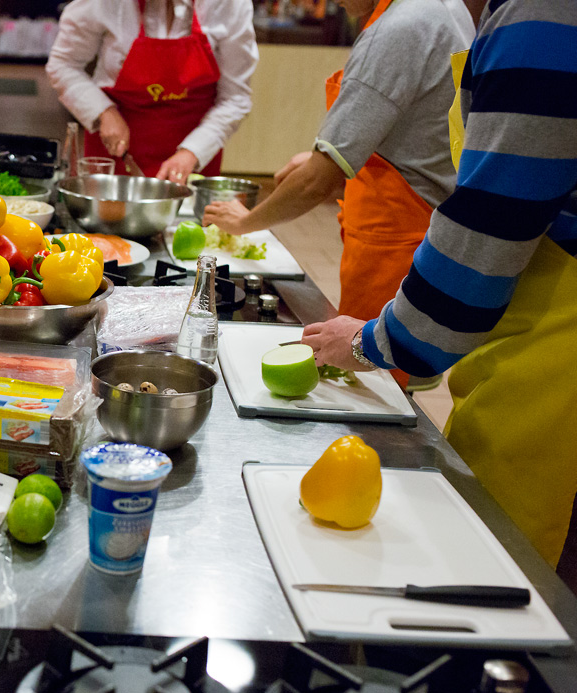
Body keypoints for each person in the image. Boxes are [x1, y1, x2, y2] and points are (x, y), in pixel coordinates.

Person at [302, 0, 577, 581]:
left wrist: (380, 341)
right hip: (532, 337)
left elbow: (491, 222)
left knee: (513, 590)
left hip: (558, 377)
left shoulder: (542, 17)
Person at [202, 0, 473, 387]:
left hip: (393, 248)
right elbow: (420, 129)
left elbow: (317, 183)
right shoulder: (443, 9)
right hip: (424, 230)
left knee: (372, 390)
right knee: (386, 377)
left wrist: (243, 222)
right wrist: (338, 155)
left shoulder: (398, 30)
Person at [45, 0, 258, 182]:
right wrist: (103, 112)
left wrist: (192, 151)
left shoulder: (228, 4)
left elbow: (235, 97)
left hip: (195, 155)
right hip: (115, 154)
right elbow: (63, 64)